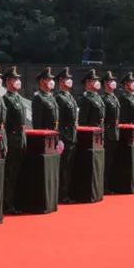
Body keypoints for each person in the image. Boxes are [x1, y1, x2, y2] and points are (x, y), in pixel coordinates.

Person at [2, 66, 27, 214]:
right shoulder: (6, 99)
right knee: (9, 174)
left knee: (17, 173)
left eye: (18, 79)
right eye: (14, 79)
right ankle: (7, 203)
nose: (18, 81)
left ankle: (14, 202)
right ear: (8, 82)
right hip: (11, 139)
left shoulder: (18, 97)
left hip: (20, 138)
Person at [54, 68, 79, 204]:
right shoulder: (59, 98)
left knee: (68, 168)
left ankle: (67, 193)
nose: (70, 81)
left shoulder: (69, 96)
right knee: (63, 168)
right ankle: (61, 195)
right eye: (66, 79)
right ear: (61, 82)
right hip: (65, 136)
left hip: (72, 136)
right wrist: (60, 139)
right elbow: (59, 121)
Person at [99, 71, 120, 189]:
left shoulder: (114, 98)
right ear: (106, 84)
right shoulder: (104, 99)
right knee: (106, 162)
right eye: (111, 81)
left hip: (115, 133)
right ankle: (104, 186)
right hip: (107, 133)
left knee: (112, 161)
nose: (113, 83)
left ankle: (110, 184)